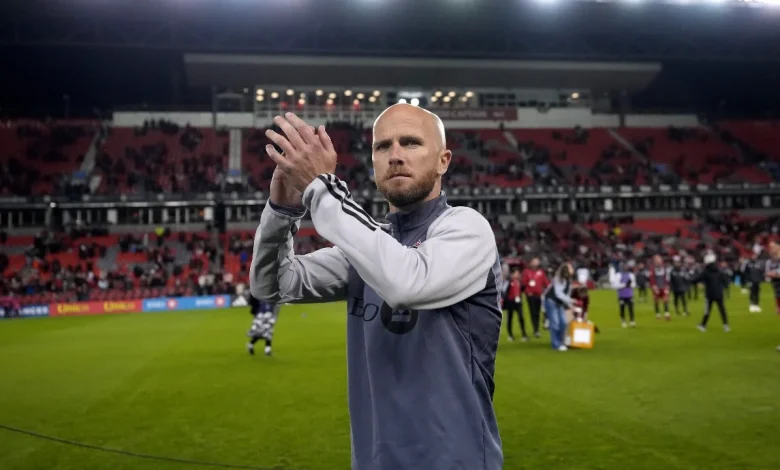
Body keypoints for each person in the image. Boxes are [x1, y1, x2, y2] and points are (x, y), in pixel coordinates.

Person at [250, 107, 503, 470]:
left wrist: (322, 187)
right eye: (382, 147)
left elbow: (407, 283)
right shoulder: (370, 247)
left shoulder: (468, 230)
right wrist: (281, 212)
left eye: (411, 142)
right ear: (373, 162)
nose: (395, 155)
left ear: (443, 160)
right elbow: (272, 284)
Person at [694, 253, 730, 333]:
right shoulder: (719, 270)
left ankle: (703, 325)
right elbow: (725, 280)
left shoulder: (706, 271)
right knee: (722, 309)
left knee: (707, 310)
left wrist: (691, 281)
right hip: (719, 293)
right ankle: (726, 325)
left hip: (709, 294)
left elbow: (698, 279)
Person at [543, 262, 574, 351]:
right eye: (570, 267)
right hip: (551, 301)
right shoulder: (558, 279)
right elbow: (558, 293)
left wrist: (570, 304)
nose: (572, 269)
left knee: (563, 323)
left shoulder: (569, 281)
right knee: (555, 323)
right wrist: (570, 301)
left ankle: (561, 342)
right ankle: (556, 344)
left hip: (559, 303)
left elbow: (567, 294)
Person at [521, 257, 549, 338]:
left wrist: (549, 287)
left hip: (539, 295)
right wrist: (527, 292)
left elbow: (545, 282)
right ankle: (536, 329)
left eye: (537, 261)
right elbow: (524, 283)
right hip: (530, 295)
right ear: (531, 262)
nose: (536, 262)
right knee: (533, 312)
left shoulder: (541, 272)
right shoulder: (526, 272)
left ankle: (537, 328)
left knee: (538, 312)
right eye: (534, 261)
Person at [502, 268, 527, 342]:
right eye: (516, 273)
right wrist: (508, 299)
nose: (518, 275)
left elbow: (521, 289)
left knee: (521, 317)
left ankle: (524, 334)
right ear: (512, 274)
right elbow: (504, 291)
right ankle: (510, 335)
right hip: (510, 302)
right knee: (510, 318)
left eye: (518, 273)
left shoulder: (519, 282)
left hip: (518, 302)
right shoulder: (508, 282)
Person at [649, 255, 671, 320]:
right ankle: (657, 314)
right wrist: (654, 286)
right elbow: (652, 278)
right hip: (656, 287)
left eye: (659, 260)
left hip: (663, 286)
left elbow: (667, 278)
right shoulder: (652, 269)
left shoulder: (664, 268)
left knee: (665, 299)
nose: (658, 261)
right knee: (656, 300)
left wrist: (667, 286)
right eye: (657, 260)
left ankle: (666, 313)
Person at [615, 263, 636, 327]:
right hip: (621, 295)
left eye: (626, 267)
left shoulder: (631, 275)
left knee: (631, 308)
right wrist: (624, 285)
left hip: (629, 294)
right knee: (622, 308)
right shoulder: (618, 275)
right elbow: (615, 285)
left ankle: (632, 321)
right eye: (624, 267)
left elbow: (634, 284)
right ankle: (623, 321)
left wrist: (630, 285)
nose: (625, 268)